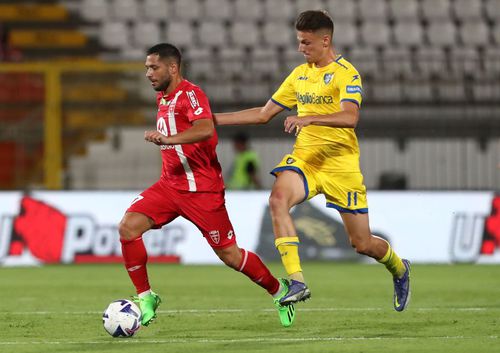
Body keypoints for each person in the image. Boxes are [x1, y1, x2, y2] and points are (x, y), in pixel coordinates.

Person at [214, 11, 411, 311]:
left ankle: (399, 268)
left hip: (340, 166)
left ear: (325, 40)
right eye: (299, 42)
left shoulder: (347, 74)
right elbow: (263, 114)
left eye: (306, 42)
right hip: (306, 159)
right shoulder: (299, 75)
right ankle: (297, 281)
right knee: (278, 199)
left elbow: (350, 116)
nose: (300, 48)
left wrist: (309, 118)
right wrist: (211, 119)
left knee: (362, 244)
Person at [117, 43, 295, 328]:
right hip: (169, 186)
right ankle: (146, 296)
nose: (148, 73)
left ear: (172, 68)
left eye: (154, 67)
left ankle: (279, 290)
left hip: (203, 191)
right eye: (146, 67)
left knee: (230, 254)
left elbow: (205, 128)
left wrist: (168, 140)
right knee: (128, 227)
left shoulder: (192, 94)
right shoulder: (163, 98)